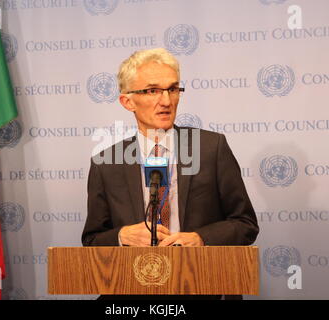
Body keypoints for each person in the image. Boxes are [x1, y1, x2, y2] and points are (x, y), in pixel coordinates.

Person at [81, 48, 259, 300]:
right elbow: (92, 241)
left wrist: (201, 239)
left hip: (203, 288)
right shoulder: (105, 163)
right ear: (127, 101)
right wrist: (122, 236)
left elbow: (245, 224)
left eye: (173, 89)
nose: (166, 101)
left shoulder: (211, 148)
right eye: (152, 91)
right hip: (132, 295)